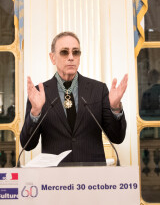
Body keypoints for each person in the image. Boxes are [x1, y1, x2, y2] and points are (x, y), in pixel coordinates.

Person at [20, 32, 127, 164]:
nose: (71, 57)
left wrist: (115, 108)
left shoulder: (98, 90)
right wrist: (35, 112)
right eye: (64, 52)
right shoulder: (39, 93)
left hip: (93, 178)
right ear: (52, 57)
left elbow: (117, 137)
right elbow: (27, 145)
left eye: (75, 52)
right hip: (54, 180)